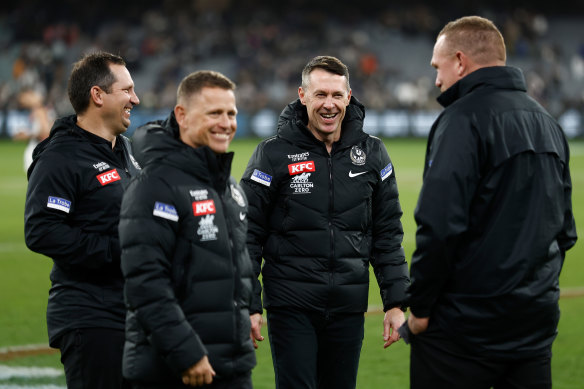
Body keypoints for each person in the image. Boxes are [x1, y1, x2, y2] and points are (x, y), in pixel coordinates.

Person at [400, 16, 578, 388]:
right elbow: (564, 232)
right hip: (533, 327)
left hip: (462, 334)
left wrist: (420, 309)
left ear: (461, 61)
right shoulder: (549, 124)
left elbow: (439, 228)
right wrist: (533, 294)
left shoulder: (461, 120)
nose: (436, 80)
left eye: (438, 67)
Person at [240, 55, 409, 389]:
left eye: (336, 95)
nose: (328, 104)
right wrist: (248, 302)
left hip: (348, 306)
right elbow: (247, 234)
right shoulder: (272, 154)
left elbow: (387, 233)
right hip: (292, 305)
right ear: (303, 96)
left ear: (349, 97)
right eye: (320, 95)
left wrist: (396, 302)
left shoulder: (373, 154)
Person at [118, 70, 257, 388]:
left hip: (230, 364)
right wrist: (187, 354)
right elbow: (146, 283)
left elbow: (236, 263)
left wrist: (247, 310)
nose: (226, 123)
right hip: (175, 369)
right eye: (214, 113)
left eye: (231, 113)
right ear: (182, 115)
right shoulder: (154, 186)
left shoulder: (228, 187)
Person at [24, 51, 141, 389]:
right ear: (97, 95)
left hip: (135, 311)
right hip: (90, 316)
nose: (136, 98)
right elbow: (43, 231)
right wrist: (121, 251)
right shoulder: (60, 157)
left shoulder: (128, 151)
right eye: (127, 90)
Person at [10, 88, 54, 172]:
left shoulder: (39, 110)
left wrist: (26, 135)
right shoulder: (43, 109)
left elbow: (45, 131)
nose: (24, 101)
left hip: (38, 148)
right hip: (43, 148)